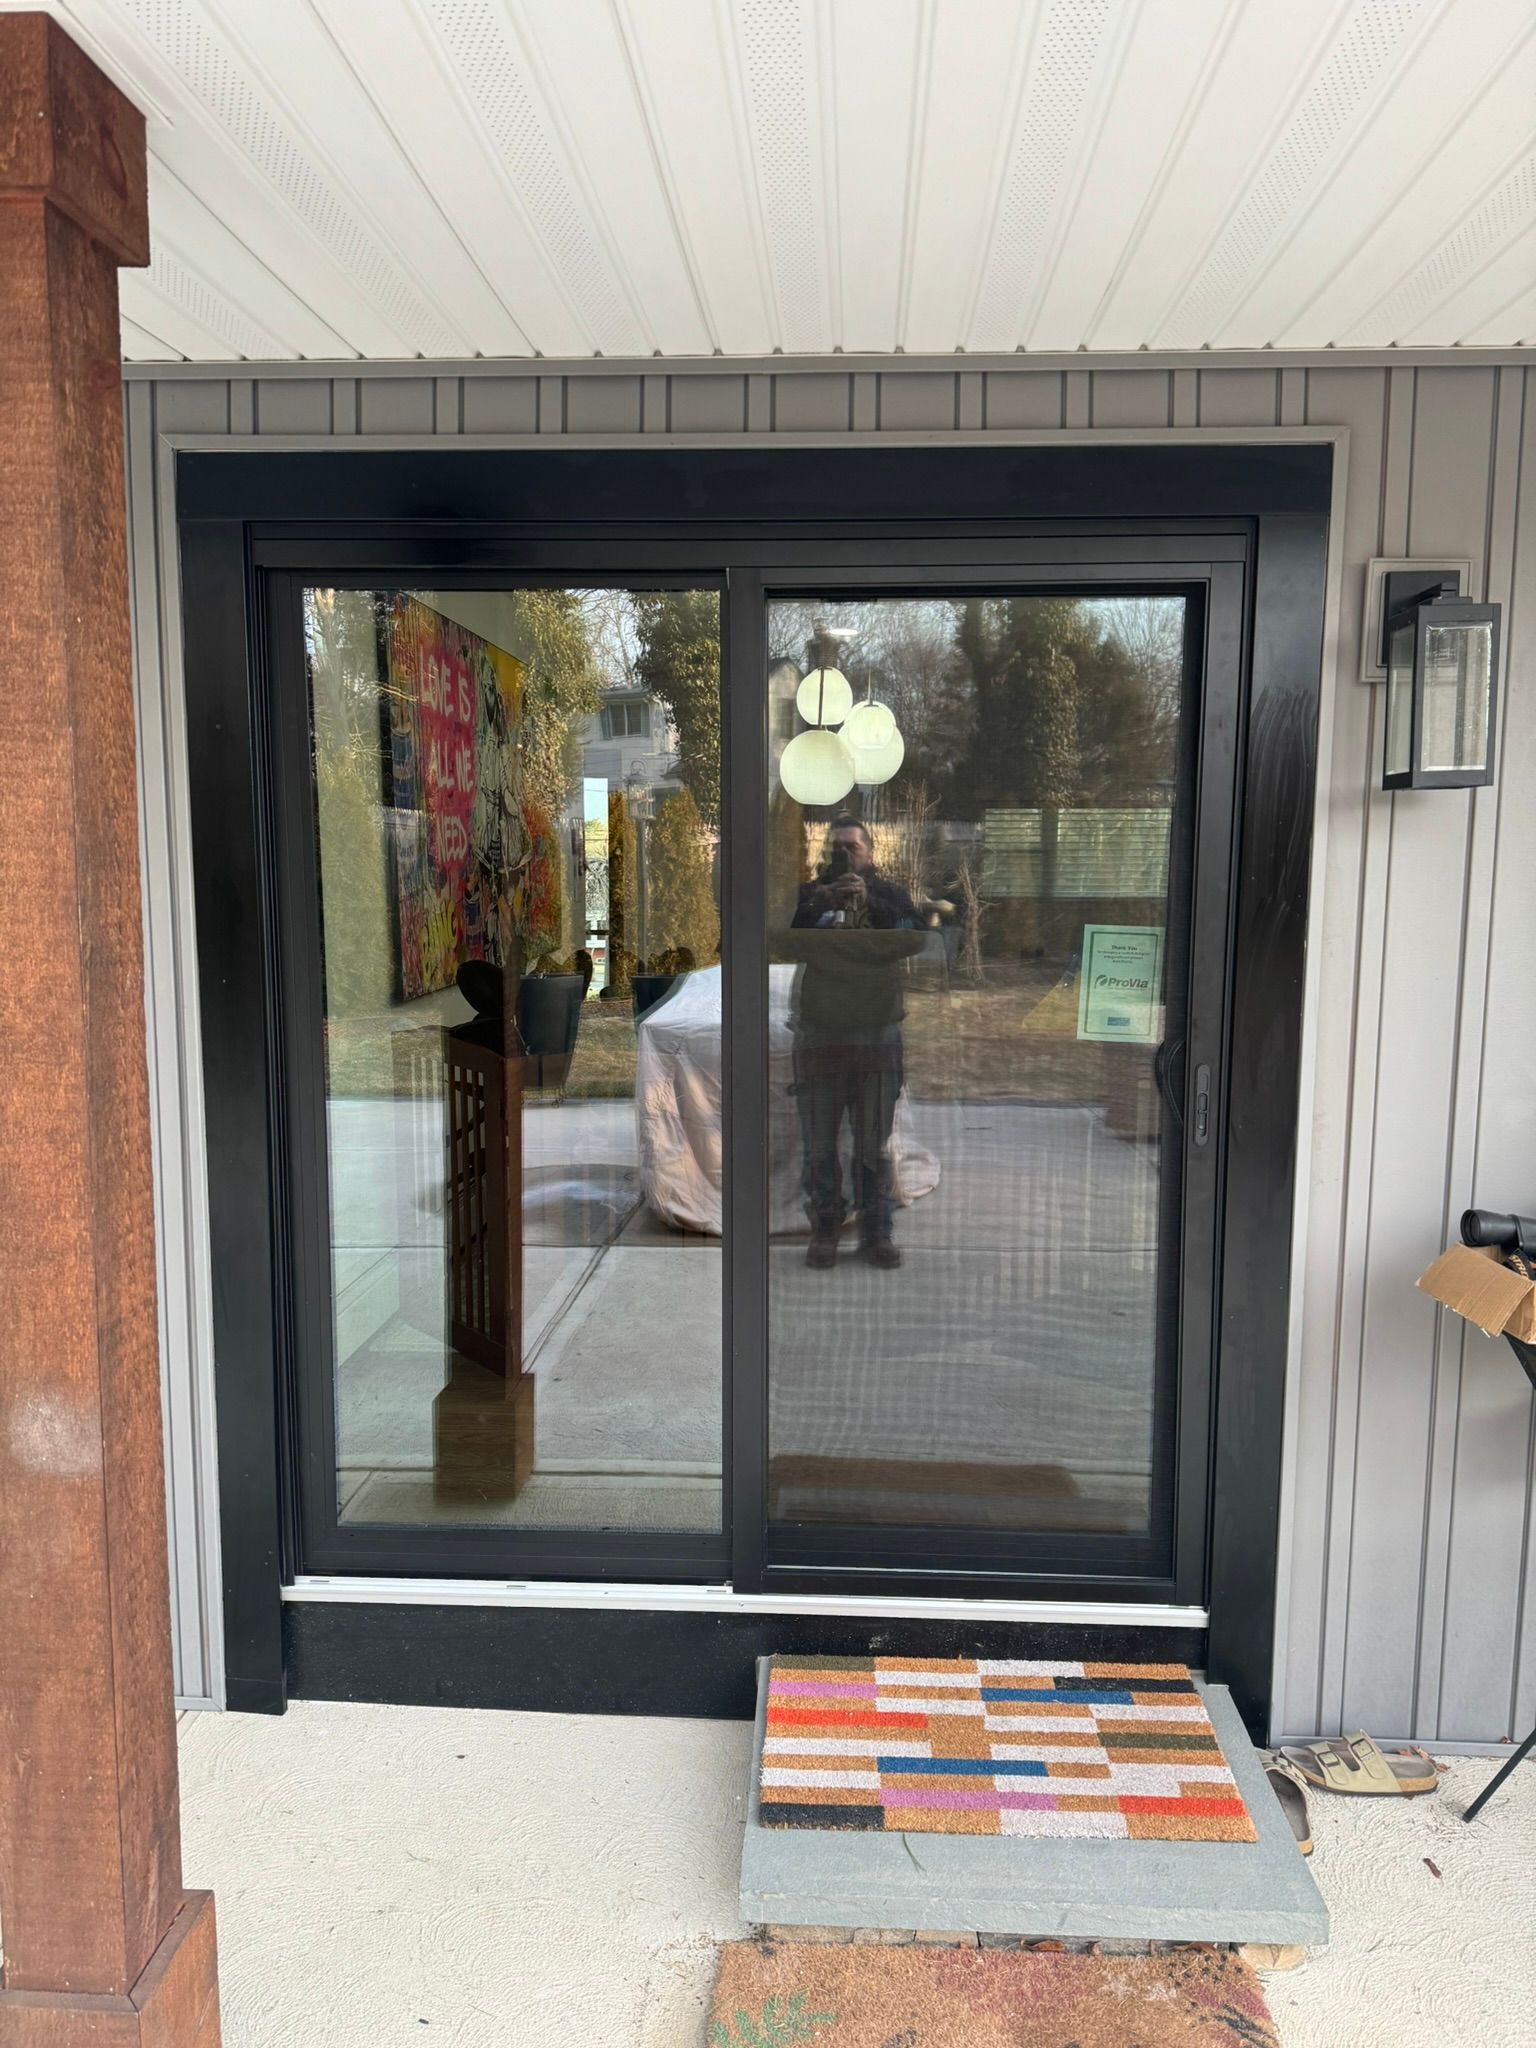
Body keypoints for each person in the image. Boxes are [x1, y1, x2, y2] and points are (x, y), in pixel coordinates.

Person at [780, 818, 925, 1269]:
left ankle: (875, 1231)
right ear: (826, 852)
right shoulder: (807, 897)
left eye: (854, 848)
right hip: (820, 1032)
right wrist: (821, 900)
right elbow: (779, 939)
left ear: (870, 853)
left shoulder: (890, 895)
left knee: (872, 1145)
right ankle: (826, 1228)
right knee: (819, 1144)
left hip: (876, 1030)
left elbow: (915, 934)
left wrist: (873, 902)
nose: (846, 856)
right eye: (837, 848)